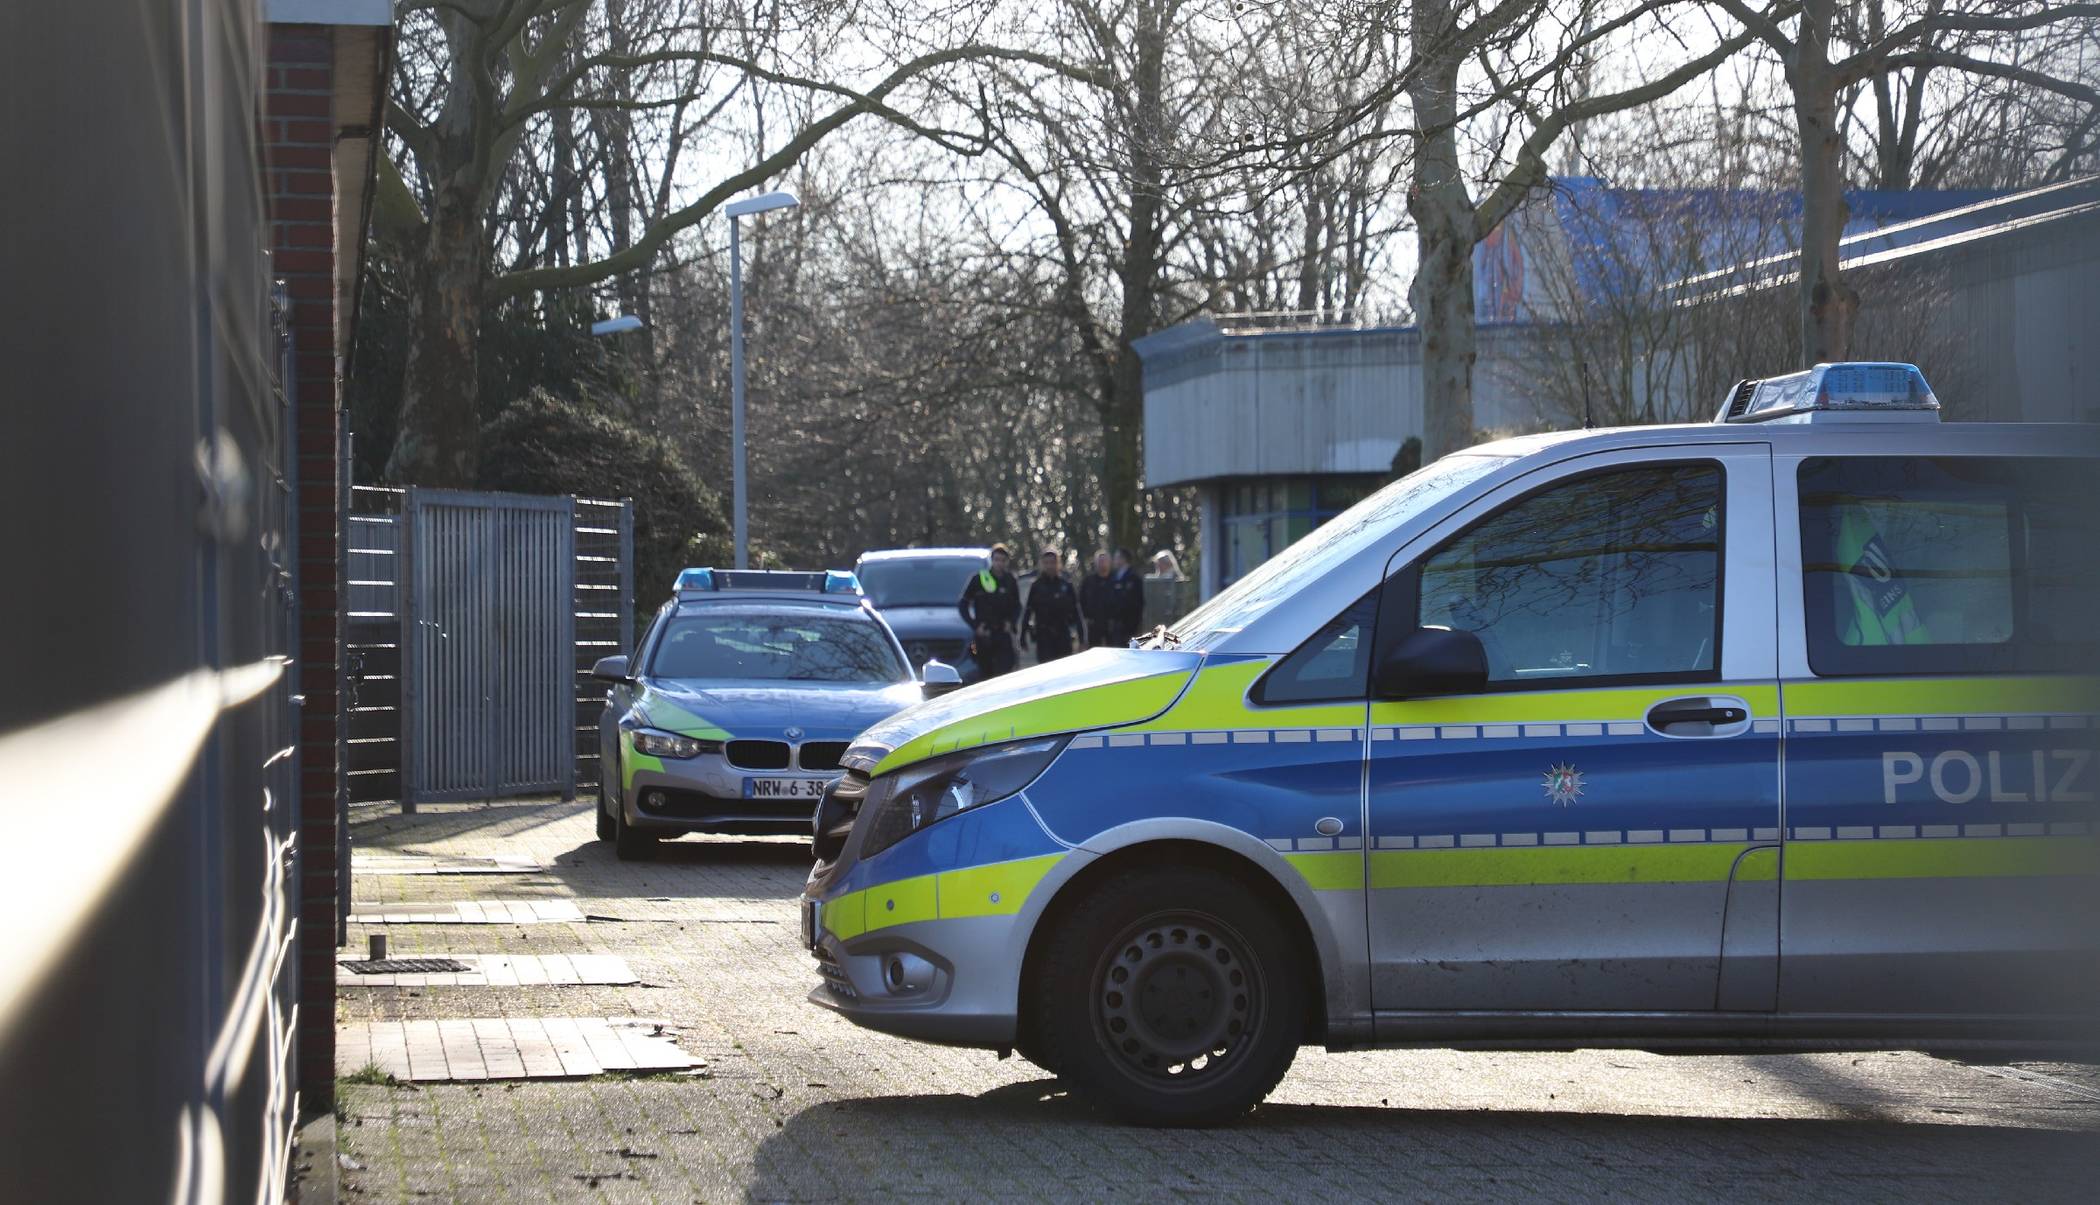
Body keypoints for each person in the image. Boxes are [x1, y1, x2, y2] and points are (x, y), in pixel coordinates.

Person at [957, 543, 1022, 677]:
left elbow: (1017, 606)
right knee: (984, 674)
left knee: (1005, 673)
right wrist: (974, 625)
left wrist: (1011, 623)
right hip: (983, 636)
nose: (999, 563)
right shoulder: (979, 579)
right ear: (992, 560)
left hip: (1003, 635)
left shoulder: (1010, 580)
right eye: (997, 560)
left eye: (1003, 560)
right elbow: (963, 604)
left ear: (1007, 562)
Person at [1020, 549, 1085, 663]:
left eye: (1052, 562)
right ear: (1042, 564)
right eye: (1046, 563)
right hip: (1044, 637)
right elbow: (1028, 611)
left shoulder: (1066, 585)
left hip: (1063, 636)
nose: (1050, 566)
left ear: (1058, 564)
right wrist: (1022, 637)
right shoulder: (1036, 586)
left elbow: (1076, 613)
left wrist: (1082, 638)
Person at [1107, 547, 1146, 647]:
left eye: (1116, 557)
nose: (1114, 560)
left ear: (1123, 559)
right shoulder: (1114, 576)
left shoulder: (1134, 578)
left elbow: (1138, 602)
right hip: (1117, 626)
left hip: (1130, 626)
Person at [1079, 551, 1114, 648]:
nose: (1102, 563)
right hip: (1093, 625)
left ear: (1109, 562)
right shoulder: (1088, 581)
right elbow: (1081, 601)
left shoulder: (1115, 580)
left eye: (1104, 561)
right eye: (1099, 561)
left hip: (1112, 626)